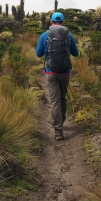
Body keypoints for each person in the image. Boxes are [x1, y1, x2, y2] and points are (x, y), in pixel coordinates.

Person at [36, 12, 79, 141]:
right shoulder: (68, 35)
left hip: (51, 72)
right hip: (65, 72)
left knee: (54, 101)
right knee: (62, 98)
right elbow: (76, 53)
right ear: (63, 22)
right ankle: (62, 119)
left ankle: (58, 131)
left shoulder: (45, 35)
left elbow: (38, 54)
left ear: (51, 21)